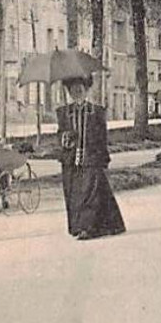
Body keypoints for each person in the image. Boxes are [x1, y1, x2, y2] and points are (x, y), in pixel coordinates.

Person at [56, 76, 126, 240]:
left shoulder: (97, 111)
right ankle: (78, 226)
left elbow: (102, 136)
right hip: (71, 160)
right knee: (74, 194)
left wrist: (103, 157)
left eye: (80, 89)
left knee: (90, 192)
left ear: (86, 90)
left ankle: (87, 228)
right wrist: (64, 138)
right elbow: (59, 134)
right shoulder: (63, 112)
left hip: (91, 158)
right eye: (73, 90)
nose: (76, 92)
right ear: (69, 92)